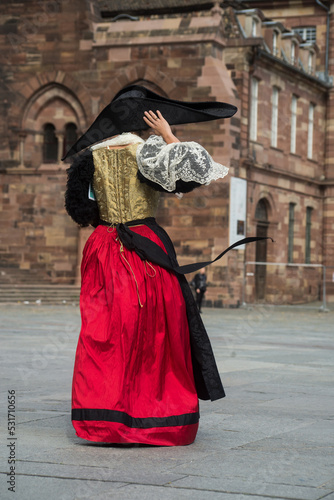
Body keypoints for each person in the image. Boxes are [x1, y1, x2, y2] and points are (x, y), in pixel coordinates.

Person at [63, 85, 238, 446]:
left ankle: (105, 419)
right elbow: (192, 175)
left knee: (107, 331)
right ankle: (152, 418)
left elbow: (80, 210)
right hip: (144, 249)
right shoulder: (148, 150)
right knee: (154, 328)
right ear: (145, 120)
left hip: (103, 250)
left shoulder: (87, 159)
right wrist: (169, 135)